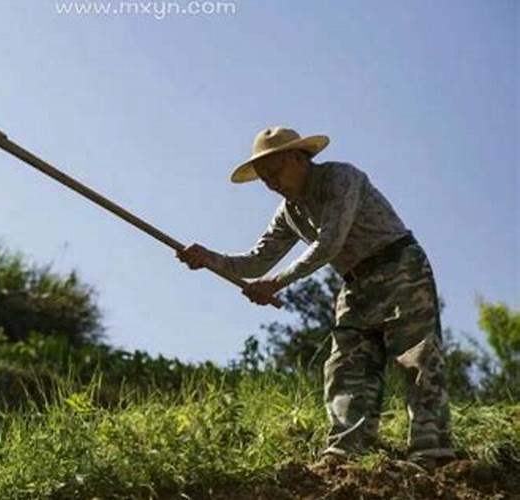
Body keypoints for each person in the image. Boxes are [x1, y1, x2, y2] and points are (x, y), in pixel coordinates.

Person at [176, 126, 456, 470]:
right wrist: (209, 259)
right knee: (346, 365)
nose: (271, 184)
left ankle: (431, 452)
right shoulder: (289, 212)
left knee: (416, 356)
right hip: (355, 283)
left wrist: (276, 283)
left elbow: (329, 243)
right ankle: (346, 451)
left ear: (298, 157)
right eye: (264, 179)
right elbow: (257, 260)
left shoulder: (341, 178)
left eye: (275, 172)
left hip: (399, 266)